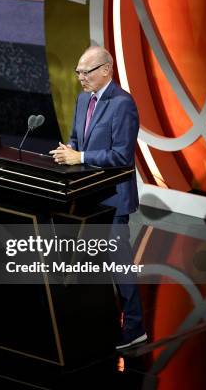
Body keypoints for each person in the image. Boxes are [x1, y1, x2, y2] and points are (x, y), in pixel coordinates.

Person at [49, 46, 146, 350]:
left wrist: (80, 155)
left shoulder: (123, 105)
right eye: (77, 71)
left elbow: (121, 156)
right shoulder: (82, 100)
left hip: (114, 198)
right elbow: (78, 140)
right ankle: (95, 319)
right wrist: (68, 152)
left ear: (106, 70)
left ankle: (135, 327)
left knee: (119, 263)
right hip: (87, 195)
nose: (80, 77)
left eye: (85, 71)